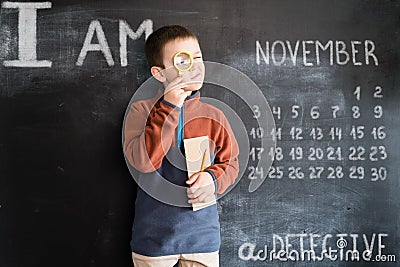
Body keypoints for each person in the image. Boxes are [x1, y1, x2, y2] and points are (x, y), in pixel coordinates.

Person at [123, 25, 239, 267]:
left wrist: (212, 179)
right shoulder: (141, 111)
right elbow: (143, 162)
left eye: (198, 57)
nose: (195, 66)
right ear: (160, 73)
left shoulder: (214, 116)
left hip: (201, 238)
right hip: (153, 239)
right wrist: (168, 106)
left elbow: (231, 163)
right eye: (183, 61)